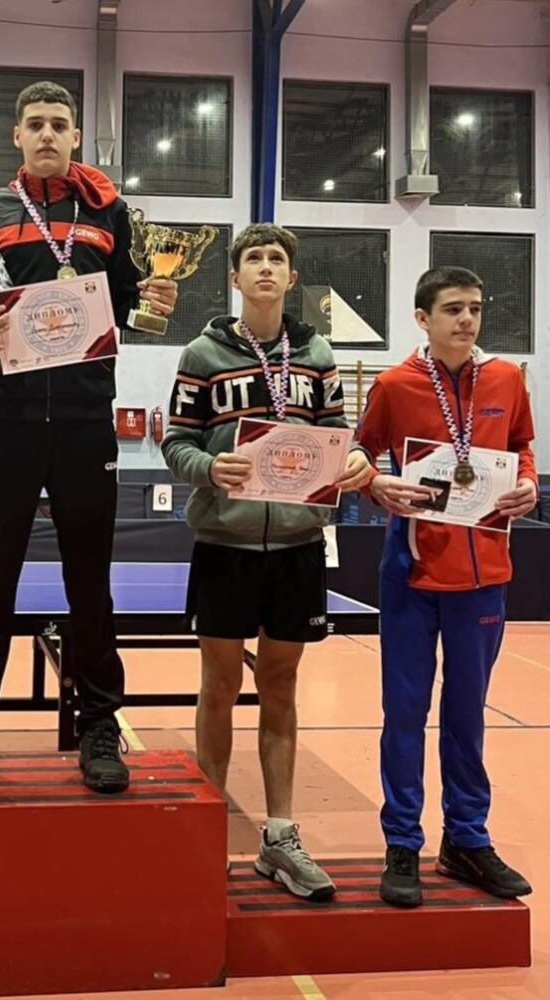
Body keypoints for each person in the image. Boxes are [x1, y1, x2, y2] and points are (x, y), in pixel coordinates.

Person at [0, 81, 177, 795]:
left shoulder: (108, 213)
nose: (46, 134)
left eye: (58, 124)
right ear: (16, 136)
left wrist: (154, 297)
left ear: (74, 138)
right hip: (6, 418)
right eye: (34, 123)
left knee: (89, 581)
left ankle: (99, 726)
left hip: (84, 419)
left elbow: (126, 299)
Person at [161, 223, 372, 900]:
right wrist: (207, 467)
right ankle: (208, 833)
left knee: (280, 686)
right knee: (219, 685)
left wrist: (354, 460)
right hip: (224, 545)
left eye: (276, 259)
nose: (265, 268)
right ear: (235, 277)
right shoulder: (202, 353)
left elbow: (338, 437)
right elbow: (176, 440)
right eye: (253, 258)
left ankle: (278, 836)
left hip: (297, 547)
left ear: (291, 277)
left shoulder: (317, 354)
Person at [354, 266, 535, 907]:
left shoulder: (508, 378)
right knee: (404, 714)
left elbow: (521, 446)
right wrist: (375, 484)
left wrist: (528, 483)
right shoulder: (394, 384)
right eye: (453, 308)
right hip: (411, 574)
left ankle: (466, 839)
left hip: (484, 576)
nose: (466, 319)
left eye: (475, 308)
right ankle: (402, 842)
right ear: (422, 318)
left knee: (466, 717)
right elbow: (358, 453)